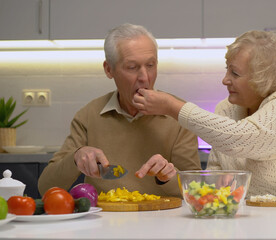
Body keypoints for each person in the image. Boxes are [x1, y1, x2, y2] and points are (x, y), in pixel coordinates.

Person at [132, 30, 276, 197]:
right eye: (227, 69)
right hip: (256, 219)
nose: (225, 79)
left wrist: (173, 107)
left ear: (263, 78)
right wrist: (170, 177)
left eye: (235, 73)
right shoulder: (226, 109)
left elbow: (243, 139)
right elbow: (217, 178)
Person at [38, 23, 201, 197]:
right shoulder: (88, 115)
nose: (144, 77)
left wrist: (167, 177)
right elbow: (45, 187)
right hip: (103, 221)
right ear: (109, 70)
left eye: (151, 65)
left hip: (163, 219)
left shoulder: (178, 114)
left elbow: (197, 191)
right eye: (132, 67)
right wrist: (76, 158)